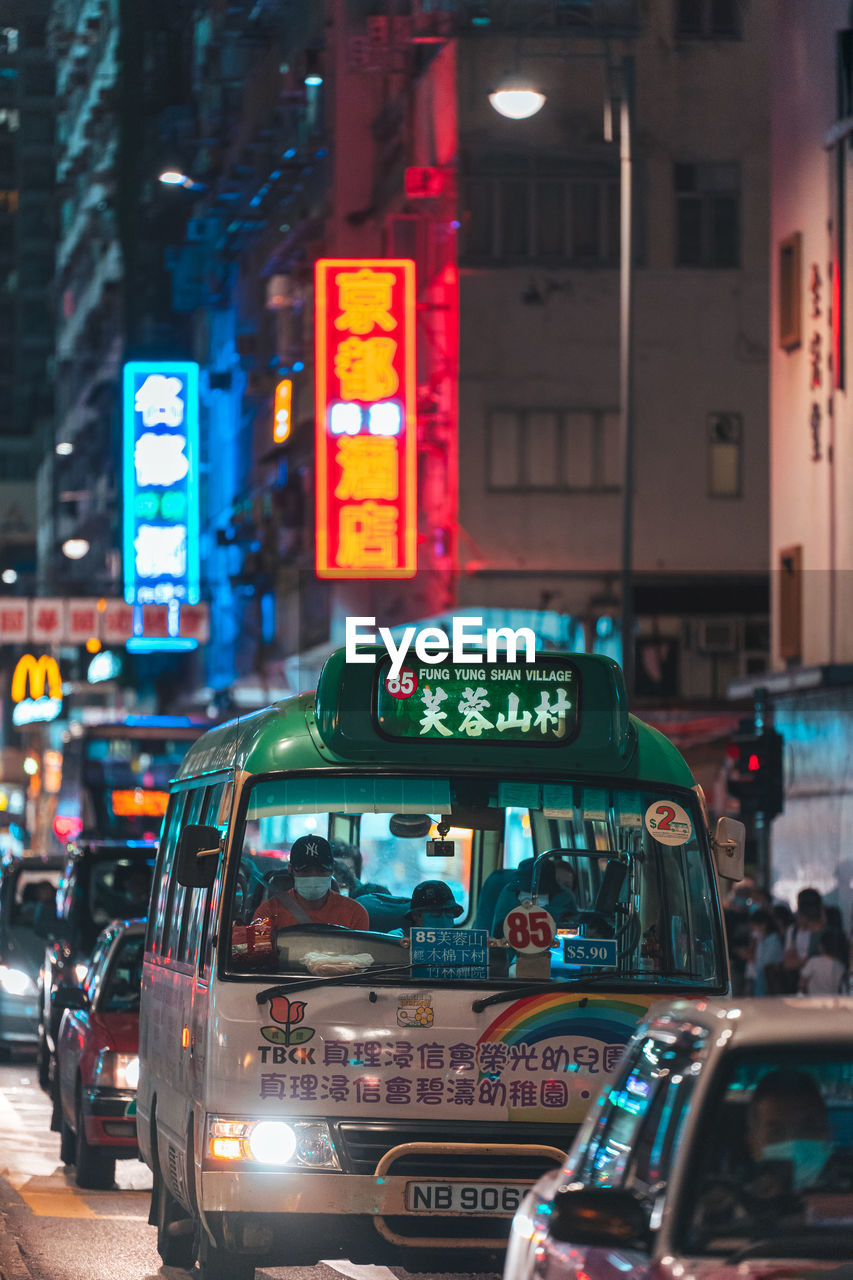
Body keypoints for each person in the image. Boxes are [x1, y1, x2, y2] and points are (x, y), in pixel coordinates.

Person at [252, 835, 369, 930]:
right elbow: (259, 957)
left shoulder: (354, 913)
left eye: (321, 870)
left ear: (331, 871)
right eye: (305, 870)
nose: (313, 876)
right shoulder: (268, 914)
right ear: (291, 871)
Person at [781, 887, 826, 992]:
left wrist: (802, 962)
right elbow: (788, 963)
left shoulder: (827, 933)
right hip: (799, 986)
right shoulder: (794, 931)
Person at [800, 926, 849, 994]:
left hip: (812, 1002)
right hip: (832, 1003)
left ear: (822, 946)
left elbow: (802, 982)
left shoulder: (814, 962)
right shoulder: (841, 967)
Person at [746, 908, 784, 996]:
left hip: (768, 977)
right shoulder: (760, 938)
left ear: (763, 924)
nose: (754, 930)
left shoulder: (774, 940)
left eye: (755, 926)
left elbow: (766, 961)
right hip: (758, 977)